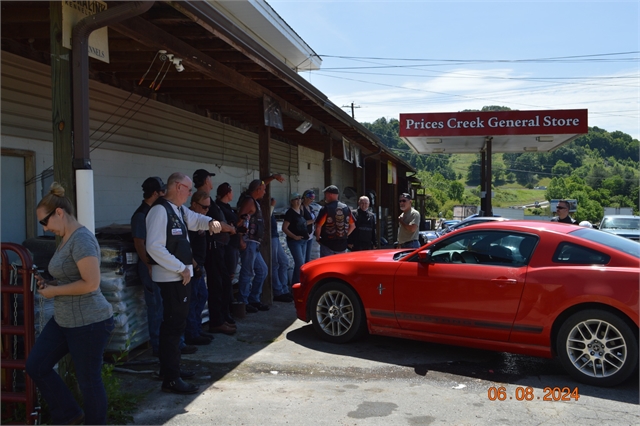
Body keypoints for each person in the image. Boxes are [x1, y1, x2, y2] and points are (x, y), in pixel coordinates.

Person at [26, 182, 114, 425]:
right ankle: (68, 413)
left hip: (90, 322)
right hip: (65, 320)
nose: (43, 227)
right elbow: (71, 277)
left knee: (89, 383)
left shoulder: (81, 240)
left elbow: (91, 284)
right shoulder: (65, 238)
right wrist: (49, 282)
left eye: (44, 222)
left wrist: (54, 292)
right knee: (36, 365)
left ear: (59, 213)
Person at [146, 172, 222, 395]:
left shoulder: (177, 209)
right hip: (173, 278)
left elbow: (197, 219)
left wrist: (215, 223)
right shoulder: (160, 211)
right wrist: (181, 268)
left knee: (173, 326)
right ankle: (171, 378)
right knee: (173, 328)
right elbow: (154, 247)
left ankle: (170, 370)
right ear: (178, 187)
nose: (190, 194)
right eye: (188, 190)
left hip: (179, 276)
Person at [131, 177, 197, 356]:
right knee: (158, 309)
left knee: (171, 313)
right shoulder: (145, 213)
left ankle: (176, 346)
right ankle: (160, 348)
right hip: (154, 266)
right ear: (155, 193)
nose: (164, 195)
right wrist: (149, 264)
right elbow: (141, 244)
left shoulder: (169, 210)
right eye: (162, 192)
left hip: (167, 266)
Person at [192, 169, 237, 336]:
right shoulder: (202, 199)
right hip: (213, 248)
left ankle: (222, 317)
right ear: (206, 180)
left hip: (219, 247)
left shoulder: (209, 199)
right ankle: (217, 321)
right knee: (217, 285)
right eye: (210, 178)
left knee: (224, 283)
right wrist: (230, 228)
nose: (212, 181)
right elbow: (213, 223)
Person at [236, 174, 285, 313]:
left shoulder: (253, 199)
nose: (265, 192)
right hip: (249, 242)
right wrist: (240, 237)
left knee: (262, 270)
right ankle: (243, 302)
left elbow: (261, 183)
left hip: (254, 243)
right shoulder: (249, 201)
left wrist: (273, 177)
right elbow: (240, 220)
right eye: (263, 189)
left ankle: (254, 299)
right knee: (247, 272)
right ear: (257, 189)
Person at [184, 190, 215, 345]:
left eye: (208, 208)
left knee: (201, 296)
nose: (206, 211)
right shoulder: (189, 221)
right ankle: (191, 333)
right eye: (203, 207)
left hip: (200, 265)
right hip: (192, 266)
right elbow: (185, 247)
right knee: (194, 299)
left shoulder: (200, 221)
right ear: (194, 204)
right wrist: (195, 266)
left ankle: (196, 329)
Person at [315, 185, 355, 257]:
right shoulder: (346, 208)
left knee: (326, 266)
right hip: (342, 245)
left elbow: (318, 226)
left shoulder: (326, 208)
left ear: (330, 194)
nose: (325, 196)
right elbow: (353, 226)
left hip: (327, 244)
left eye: (326, 194)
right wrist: (345, 235)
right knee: (340, 266)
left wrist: (318, 238)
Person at [282, 193, 309, 286]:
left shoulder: (300, 211)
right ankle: (297, 285)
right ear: (291, 201)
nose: (298, 201)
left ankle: (296, 283)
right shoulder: (290, 213)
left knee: (301, 265)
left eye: (299, 199)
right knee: (300, 264)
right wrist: (294, 236)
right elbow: (284, 228)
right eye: (296, 199)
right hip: (295, 241)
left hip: (304, 240)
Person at [270, 198, 293, 302]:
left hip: (275, 236)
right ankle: (278, 291)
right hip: (270, 237)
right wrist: (271, 206)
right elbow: (265, 217)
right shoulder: (262, 206)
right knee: (274, 264)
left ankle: (284, 289)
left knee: (284, 262)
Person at [301, 189, 316, 263]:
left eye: (313, 198)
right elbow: (301, 223)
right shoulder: (301, 208)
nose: (312, 200)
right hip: (303, 236)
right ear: (305, 198)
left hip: (310, 236)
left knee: (308, 259)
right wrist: (313, 221)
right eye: (310, 198)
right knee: (302, 259)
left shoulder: (311, 208)